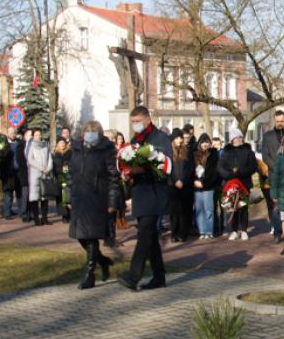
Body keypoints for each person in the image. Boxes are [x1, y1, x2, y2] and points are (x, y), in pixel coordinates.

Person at [121, 106, 172, 291]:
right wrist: (128, 173)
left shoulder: (161, 138)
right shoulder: (135, 140)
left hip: (155, 192)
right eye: (132, 122)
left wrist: (142, 169)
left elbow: (166, 165)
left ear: (147, 120)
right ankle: (159, 276)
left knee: (144, 233)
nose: (135, 125)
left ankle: (133, 275)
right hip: (140, 192)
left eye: (138, 121)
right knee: (149, 236)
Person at [68, 121, 121, 290]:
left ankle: (89, 274)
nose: (90, 134)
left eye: (94, 131)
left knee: (91, 236)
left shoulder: (106, 151)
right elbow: (71, 175)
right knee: (80, 236)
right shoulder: (76, 150)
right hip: (79, 198)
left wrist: (112, 202)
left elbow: (114, 178)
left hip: (97, 199)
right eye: (88, 131)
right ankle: (103, 261)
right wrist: (68, 197)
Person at [217, 128, 257, 240]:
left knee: (243, 206)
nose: (238, 139)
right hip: (230, 183)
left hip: (244, 183)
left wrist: (241, 172)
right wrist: (229, 174)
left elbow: (253, 167)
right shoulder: (226, 151)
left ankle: (244, 230)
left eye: (239, 137)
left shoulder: (248, 151)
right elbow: (220, 167)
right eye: (235, 137)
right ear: (231, 139)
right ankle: (234, 230)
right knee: (232, 208)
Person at [261, 110, 284, 242]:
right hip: (274, 175)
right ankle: (277, 233)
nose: (280, 123)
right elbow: (265, 156)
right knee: (276, 205)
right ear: (274, 121)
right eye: (277, 121)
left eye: (282, 121)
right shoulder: (267, 136)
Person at [168, 130, 195, 242]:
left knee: (184, 210)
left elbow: (190, 168)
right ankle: (174, 233)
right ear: (173, 139)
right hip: (172, 186)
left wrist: (182, 180)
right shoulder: (168, 152)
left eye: (180, 138)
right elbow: (167, 170)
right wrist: (175, 181)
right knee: (174, 211)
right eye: (177, 138)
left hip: (185, 186)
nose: (179, 140)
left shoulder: (187, 152)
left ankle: (182, 233)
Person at [192, 133, 219, 240]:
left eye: (207, 142)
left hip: (208, 187)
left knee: (208, 209)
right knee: (199, 210)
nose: (205, 144)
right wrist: (194, 181)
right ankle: (202, 231)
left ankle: (209, 231)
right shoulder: (194, 155)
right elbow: (190, 170)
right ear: (199, 143)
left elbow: (214, 173)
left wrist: (204, 183)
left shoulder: (213, 155)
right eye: (203, 142)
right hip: (196, 186)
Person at [0, 126, 27, 221]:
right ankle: (7, 212)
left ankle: (22, 211)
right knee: (8, 194)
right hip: (8, 173)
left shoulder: (20, 143)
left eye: (14, 132)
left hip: (18, 172)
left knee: (20, 193)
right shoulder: (2, 144)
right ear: (7, 134)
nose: (13, 134)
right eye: (11, 133)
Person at [25, 129, 52, 226]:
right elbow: (30, 160)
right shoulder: (30, 145)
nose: (38, 136)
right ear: (33, 136)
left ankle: (45, 218)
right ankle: (36, 219)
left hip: (45, 174)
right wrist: (41, 168)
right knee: (35, 197)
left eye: (39, 134)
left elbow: (49, 158)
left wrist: (48, 168)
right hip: (35, 174)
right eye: (36, 135)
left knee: (45, 196)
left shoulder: (45, 145)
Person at [52, 139, 71, 223]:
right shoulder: (56, 154)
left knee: (67, 196)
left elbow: (70, 164)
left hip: (68, 177)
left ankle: (68, 214)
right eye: (60, 143)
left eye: (63, 143)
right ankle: (64, 214)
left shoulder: (69, 153)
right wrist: (62, 169)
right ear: (57, 145)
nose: (62, 145)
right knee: (61, 197)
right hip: (60, 177)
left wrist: (66, 169)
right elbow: (55, 166)